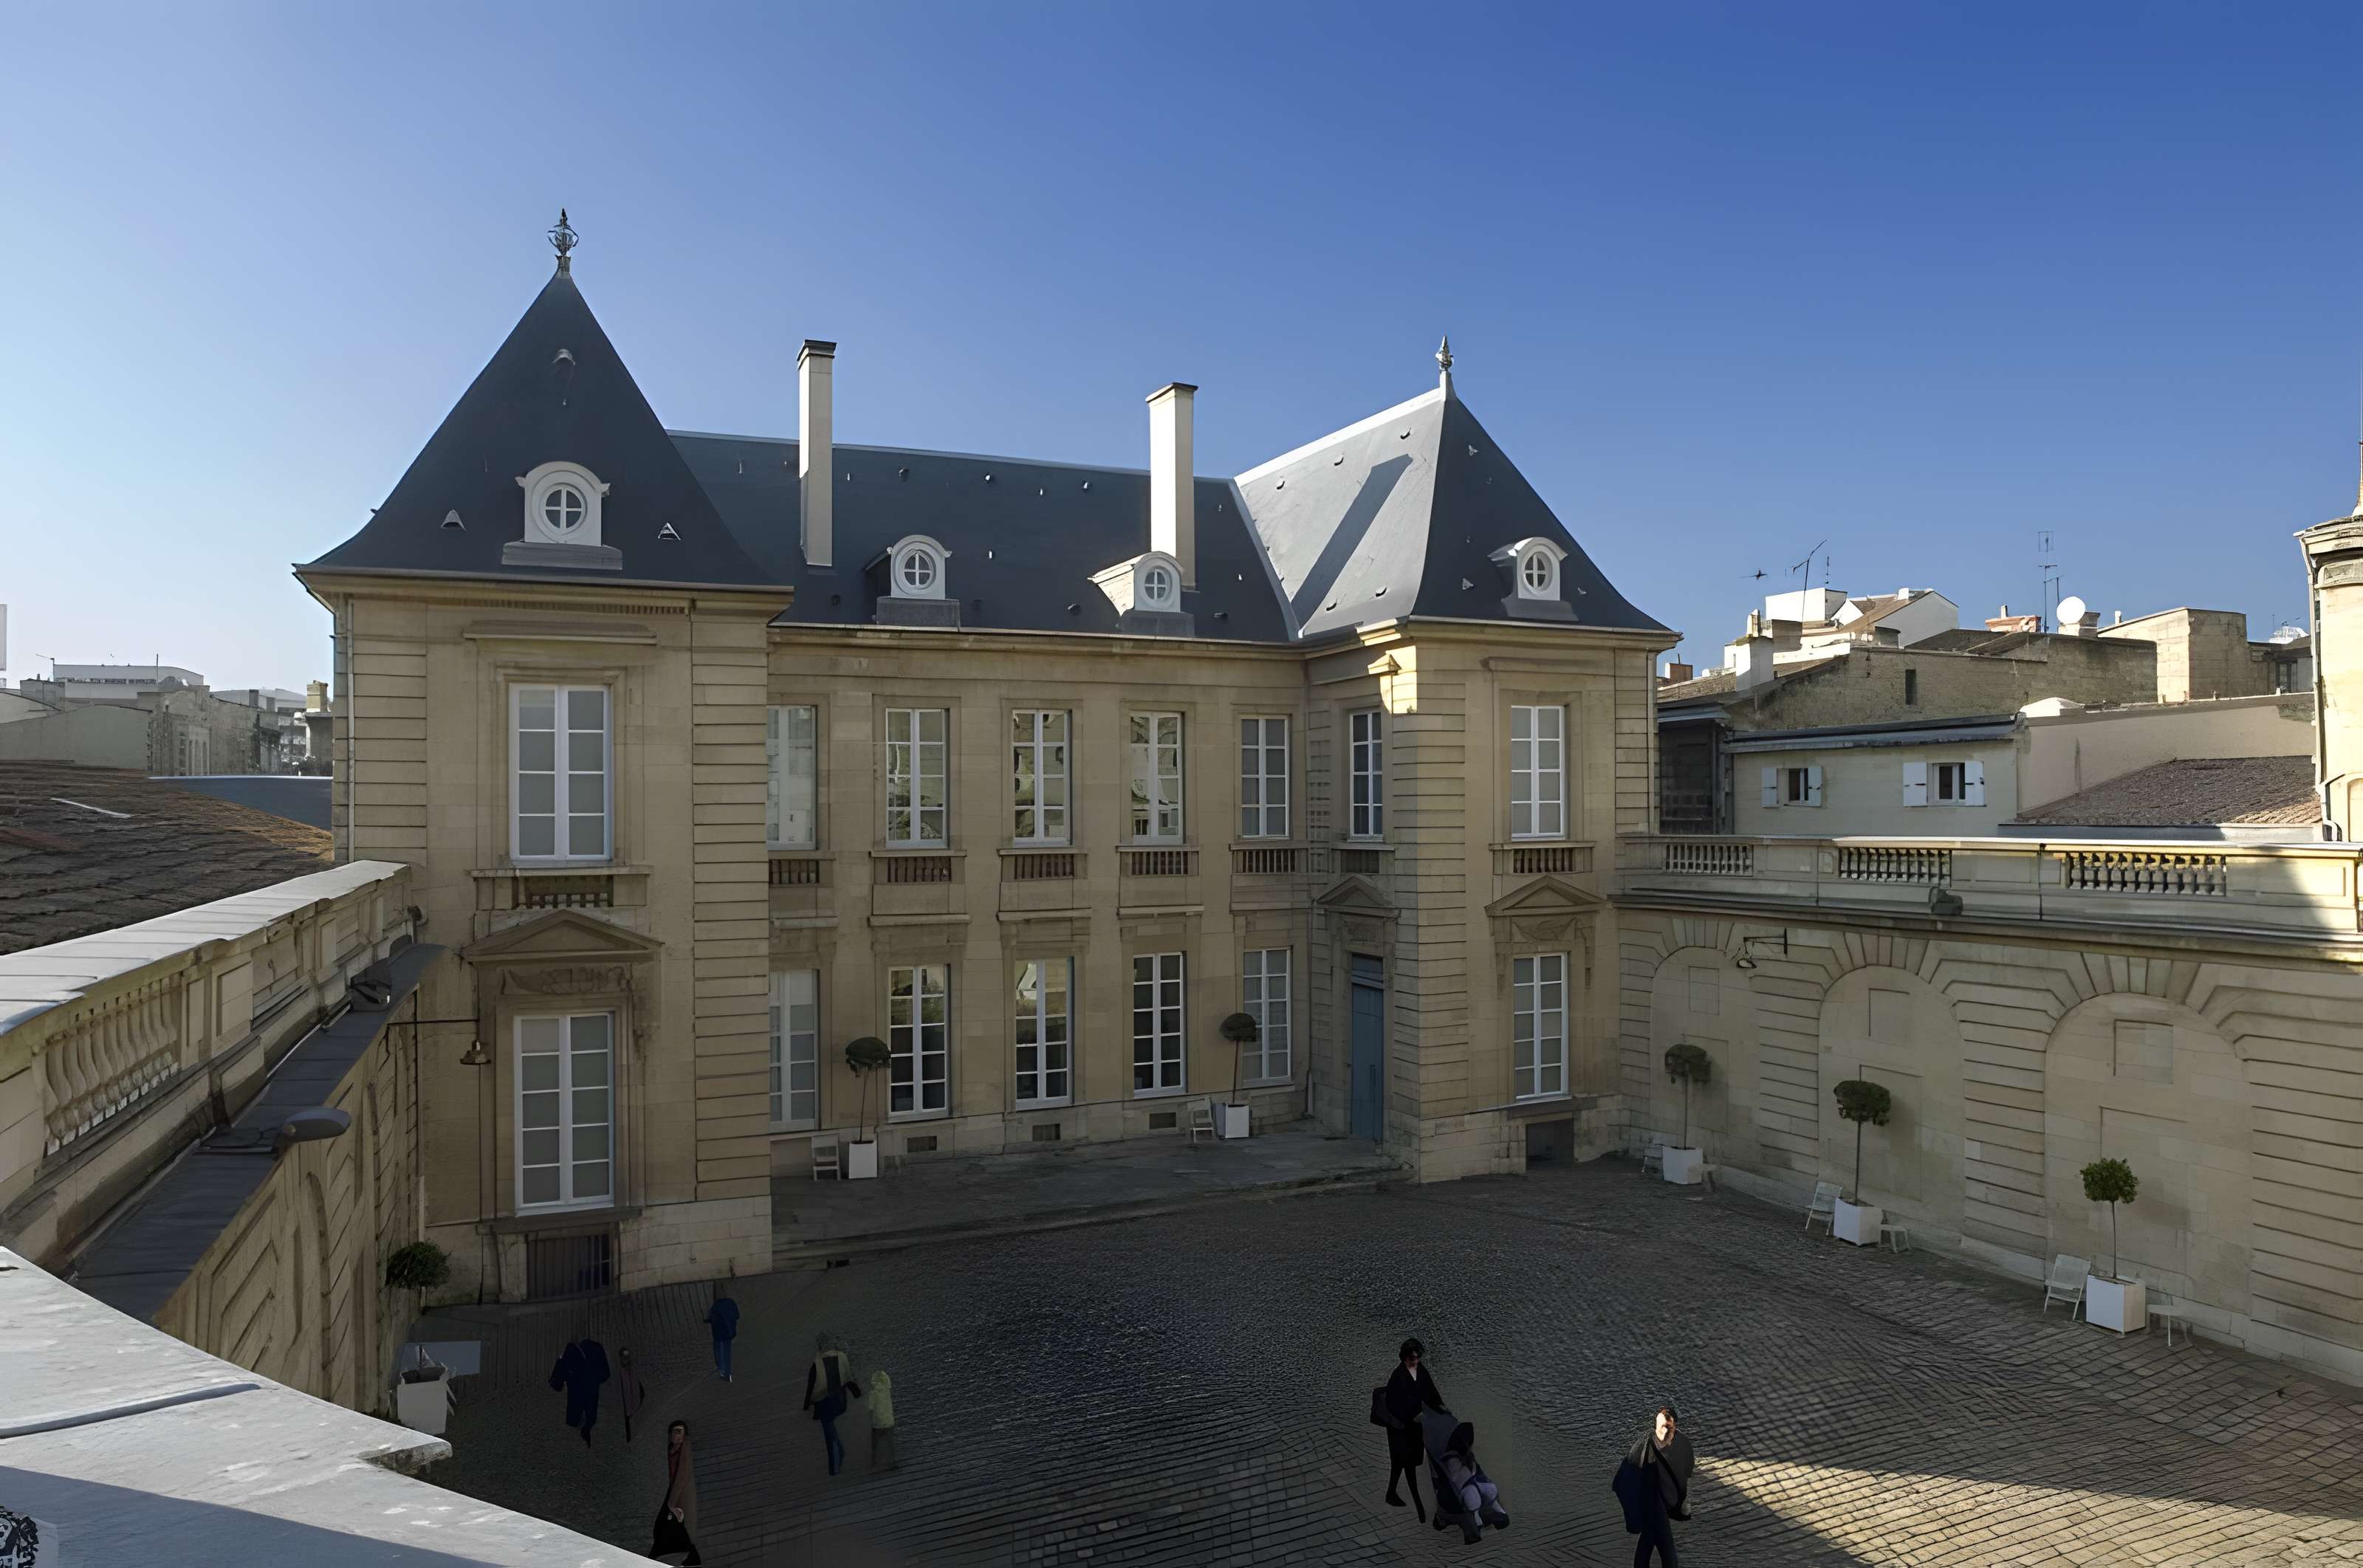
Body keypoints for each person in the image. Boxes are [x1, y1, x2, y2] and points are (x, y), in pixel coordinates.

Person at [1613, 1405, 1694, 1568]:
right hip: (1653, 1504)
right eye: (1662, 1427)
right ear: (1655, 1427)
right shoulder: (1644, 1447)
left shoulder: (1680, 1444)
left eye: (1669, 1428)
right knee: (1669, 1558)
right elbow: (1628, 1475)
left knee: (1647, 1542)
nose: (1665, 1432)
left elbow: (1687, 1469)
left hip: (1658, 1505)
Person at [1379, 1338, 1445, 1521]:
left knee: (1399, 1463)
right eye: (1411, 1358)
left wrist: (1442, 1408)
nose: (1415, 1361)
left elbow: (1431, 1392)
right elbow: (1395, 1403)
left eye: (1417, 1358)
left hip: (1414, 1426)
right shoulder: (1398, 1376)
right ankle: (1420, 1510)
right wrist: (1413, 1416)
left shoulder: (1420, 1370)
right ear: (1404, 1358)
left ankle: (1391, 1493)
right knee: (1406, 1465)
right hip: (1400, 1428)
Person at [1437, 1419, 1510, 1539]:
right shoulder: (1487, 1491)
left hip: (1470, 1482)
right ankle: (1487, 1521)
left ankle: (1479, 1525)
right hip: (1476, 1483)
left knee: (1476, 1503)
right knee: (1486, 1500)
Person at [801, 1333, 862, 1477]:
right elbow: (849, 1379)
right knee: (831, 1428)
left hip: (824, 1405)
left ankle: (834, 1467)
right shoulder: (842, 1357)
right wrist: (857, 1393)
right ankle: (839, 1451)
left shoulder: (816, 1364)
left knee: (828, 1432)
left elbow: (810, 1387)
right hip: (841, 1402)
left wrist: (806, 1406)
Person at [650, 1419, 702, 1565]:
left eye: (680, 1432)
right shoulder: (672, 1449)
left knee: (666, 1522)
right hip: (673, 1489)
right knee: (674, 1524)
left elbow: (682, 1476)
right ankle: (686, 1555)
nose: (677, 1435)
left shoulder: (684, 1449)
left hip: (681, 1492)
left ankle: (658, 1551)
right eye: (674, 1431)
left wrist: (672, 1503)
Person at [865, 1369, 899, 1472]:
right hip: (889, 1421)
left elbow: (870, 1407)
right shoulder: (887, 1391)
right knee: (890, 1443)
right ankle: (892, 1460)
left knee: (875, 1444)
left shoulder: (873, 1393)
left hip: (878, 1423)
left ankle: (874, 1463)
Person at [704, 1293, 740, 1382]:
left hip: (718, 1334)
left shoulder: (716, 1305)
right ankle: (728, 1374)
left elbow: (711, 1318)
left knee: (719, 1352)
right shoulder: (731, 1302)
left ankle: (722, 1371)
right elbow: (737, 1316)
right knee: (727, 1353)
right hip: (729, 1333)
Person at [617, 1346, 646, 1443]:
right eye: (624, 1356)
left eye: (627, 1356)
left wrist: (640, 1400)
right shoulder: (618, 1372)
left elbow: (640, 1388)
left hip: (634, 1405)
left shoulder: (632, 1371)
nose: (626, 1359)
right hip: (623, 1407)